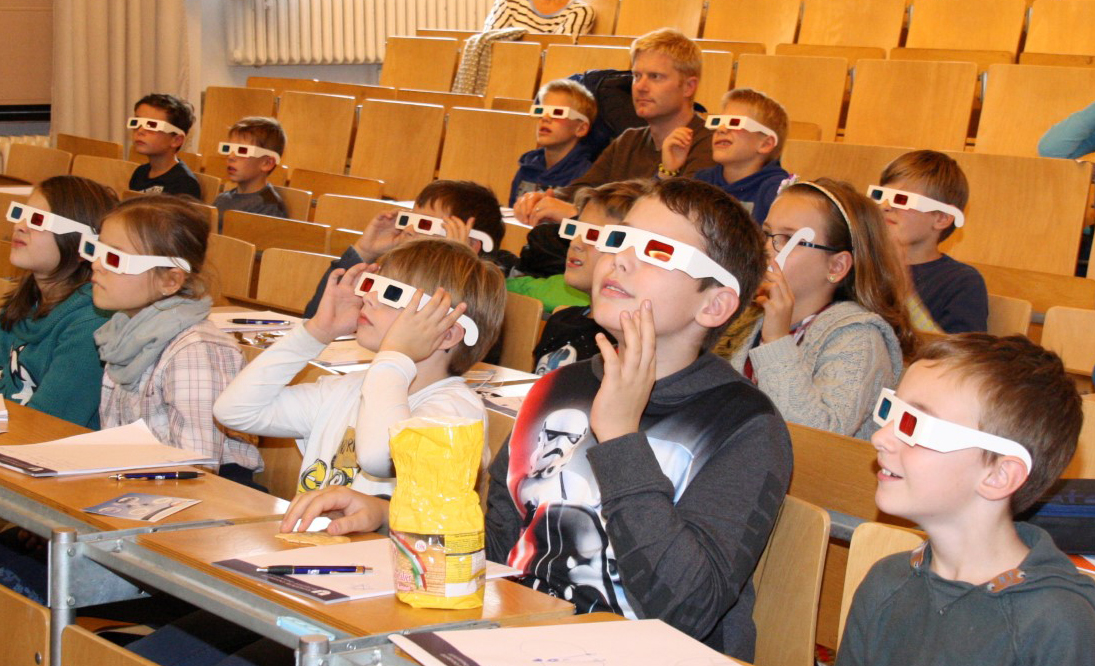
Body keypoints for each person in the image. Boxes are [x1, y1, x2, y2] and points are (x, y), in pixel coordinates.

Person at [278, 179, 791, 664]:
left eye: (657, 251)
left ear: (715, 305)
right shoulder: (558, 387)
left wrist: (620, 436)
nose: (620, 259)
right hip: (515, 635)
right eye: (620, 240)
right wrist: (388, 513)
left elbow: (686, 610)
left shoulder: (743, 424)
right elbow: (503, 547)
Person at [838, 334, 1095, 665]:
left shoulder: (1058, 625)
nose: (880, 437)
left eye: (914, 424)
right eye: (892, 412)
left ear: (998, 475)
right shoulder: (885, 583)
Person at [215, 238, 505, 496]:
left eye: (391, 293)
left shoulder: (455, 413)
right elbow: (234, 411)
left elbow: (380, 456)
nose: (368, 298)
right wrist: (316, 332)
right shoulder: (346, 390)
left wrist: (394, 357)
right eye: (371, 286)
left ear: (447, 333)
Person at [717, 178, 916, 440]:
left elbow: (815, 439)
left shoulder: (860, 338)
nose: (765, 250)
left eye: (788, 239)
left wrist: (776, 341)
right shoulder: (750, 317)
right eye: (766, 234)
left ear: (836, 267)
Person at [88, 195, 263, 486]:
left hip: (207, 495)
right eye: (97, 251)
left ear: (170, 280)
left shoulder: (194, 352)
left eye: (115, 258)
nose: (96, 265)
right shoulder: (122, 335)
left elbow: (196, 468)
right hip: (140, 483)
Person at [513, 28, 717, 225]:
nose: (640, 87)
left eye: (655, 77)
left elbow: (673, 222)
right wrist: (542, 199)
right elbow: (581, 190)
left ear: (689, 87)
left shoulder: (709, 144)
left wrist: (579, 214)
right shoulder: (629, 139)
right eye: (637, 76)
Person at [0, 176, 116, 427]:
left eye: (37, 220)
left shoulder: (91, 326)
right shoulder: (24, 301)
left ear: (82, 242)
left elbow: (45, 425)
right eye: (21, 214)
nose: (20, 226)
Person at [303, 180, 506, 317]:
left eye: (424, 224)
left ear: (470, 244)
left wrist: (455, 264)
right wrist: (364, 252)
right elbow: (317, 317)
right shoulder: (392, 271)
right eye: (409, 220)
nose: (408, 230)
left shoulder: (480, 299)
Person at [530, 180, 646, 373]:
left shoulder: (630, 342)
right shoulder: (561, 321)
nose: (575, 243)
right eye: (576, 230)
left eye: (593, 235)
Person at [872, 150, 988, 333]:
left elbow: (956, 351)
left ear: (942, 218)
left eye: (902, 200)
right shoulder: (861, 261)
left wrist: (903, 291)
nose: (885, 206)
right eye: (880, 195)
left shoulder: (961, 282)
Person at [693, 88, 790, 223]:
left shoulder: (776, 191)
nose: (721, 129)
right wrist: (669, 170)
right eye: (718, 122)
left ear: (765, 144)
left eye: (735, 123)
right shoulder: (702, 180)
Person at [509, 79, 596, 207]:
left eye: (557, 112)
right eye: (541, 111)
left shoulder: (585, 177)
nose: (545, 118)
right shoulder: (527, 168)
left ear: (581, 128)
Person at [212, 117, 287, 230]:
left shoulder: (269, 208)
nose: (231, 157)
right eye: (228, 149)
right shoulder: (222, 199)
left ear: (267, 163)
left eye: (242, 151)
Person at [127, 93, 202, 199]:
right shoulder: (140, 173)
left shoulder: (184, 184)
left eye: (152, 125)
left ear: (176, 140)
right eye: (136, 122)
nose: (140, 131)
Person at [482, 0, 594, 35]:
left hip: (551, 77)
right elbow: (485, 43)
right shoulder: (510, 2)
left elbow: (559, 55)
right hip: (502, 69)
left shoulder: (579, 11)